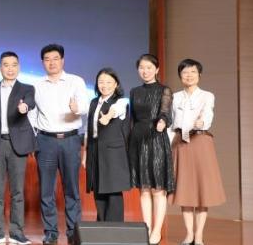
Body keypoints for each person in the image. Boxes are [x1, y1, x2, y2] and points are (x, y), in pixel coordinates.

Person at [30, 43, 89, 245]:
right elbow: (32, 114)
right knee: (47, 190)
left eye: (55, 58)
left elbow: (85, 106)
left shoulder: (76, 81)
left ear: (62, 60)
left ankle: (73, 231)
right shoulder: (36, 85)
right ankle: (51, 232)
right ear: (42, 62)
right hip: (45, 141)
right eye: (47, 59)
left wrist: (76, 108)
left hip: (70, 140)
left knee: (71, 188)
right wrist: (34, 138)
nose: (52, 63)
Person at [0, 51, 36, 245]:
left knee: (17, 191)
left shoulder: (27, 88)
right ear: (0, 68)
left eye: (14, 65)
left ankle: (16, 232)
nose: (10, 69)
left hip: (17, 145)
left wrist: (24, 107)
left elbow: (30, 102)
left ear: (18, 67)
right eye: (6, 65)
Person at [170, 59, 225, 245]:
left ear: (199, 74)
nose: (189, 75)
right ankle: (189, 234)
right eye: (185, 72)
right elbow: (172, 123)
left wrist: (201, 122)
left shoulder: (207, 96)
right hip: (181, 143)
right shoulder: (175, 97)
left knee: (203, 191)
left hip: (201, 141)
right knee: (185, 190)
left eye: (193, 72)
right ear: (180, 76)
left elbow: (208, 115)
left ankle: (199, 235)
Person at [128, 54, 174, 245]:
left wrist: (162, 121)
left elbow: (165, 112)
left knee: (158, 189)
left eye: (148, 67)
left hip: (156, 138)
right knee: (144, 189)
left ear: (156, 69)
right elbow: (131, 119)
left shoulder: (164, 90)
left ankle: (157, 230)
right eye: (141, 68)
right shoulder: (134, 91)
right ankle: (146, 228)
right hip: (137, 140)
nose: (145, 71)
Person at [82, 68, 131, 222]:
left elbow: (115, 110)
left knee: (113, 190)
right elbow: (88, 130)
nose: (104, 85)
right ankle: (102, 226)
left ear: (116, 84)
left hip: (113, 153)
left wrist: (108, 116)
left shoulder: (121, 101)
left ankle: (114, 229)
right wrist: (85, 154)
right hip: (95, 149)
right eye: (101, 82)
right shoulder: (94, 102)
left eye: (109, 82)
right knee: (98, 189)